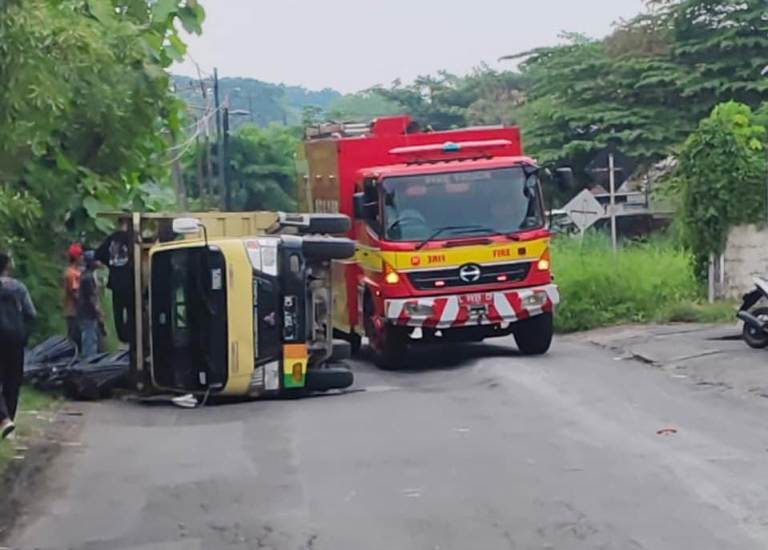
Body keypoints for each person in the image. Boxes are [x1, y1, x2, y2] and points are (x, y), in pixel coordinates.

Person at [0, 252, 37, 440]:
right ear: (7, 266)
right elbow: (31, 314)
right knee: (12, 381)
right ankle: (8, 423)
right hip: (15, 339)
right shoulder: (19, 287)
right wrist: (24, 335)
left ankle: (3, 419)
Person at [77, 250, 103, 358]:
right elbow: (92, 297)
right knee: (89, 339)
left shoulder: (87, 275)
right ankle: (89, 364)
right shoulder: (88, 278)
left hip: (86, 312)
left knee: (92, 338)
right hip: (88, 313)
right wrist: (99, 311)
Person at [63, 243, 82, 347]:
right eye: (80, 255)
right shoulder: (72, 274)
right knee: (74, 341)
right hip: (73, 312)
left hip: (73, 311)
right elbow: (75, 293)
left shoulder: (75, 272)